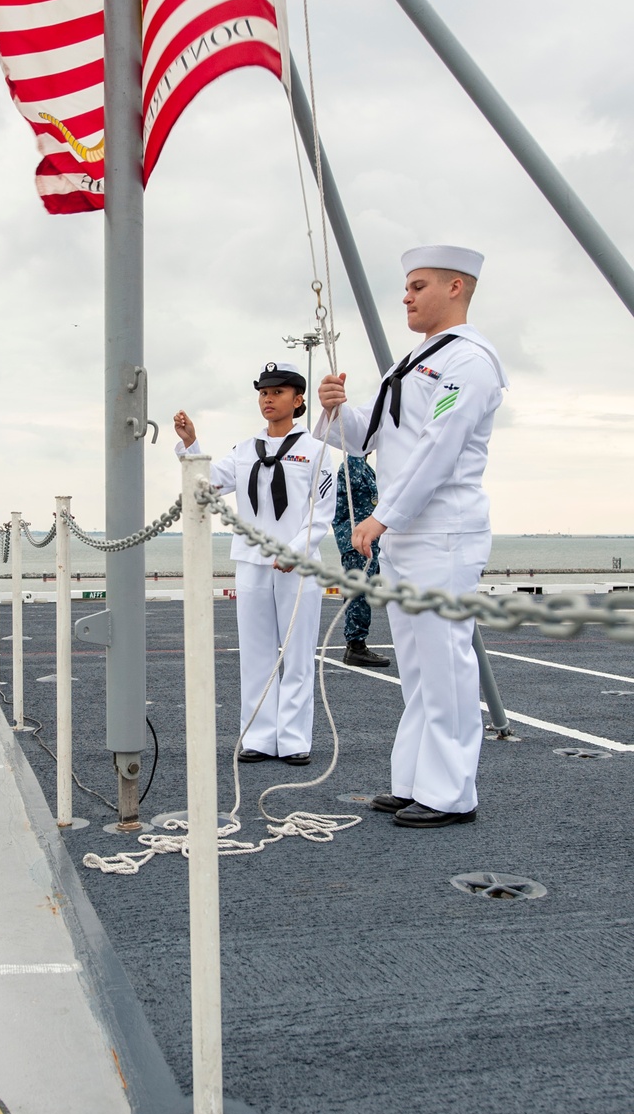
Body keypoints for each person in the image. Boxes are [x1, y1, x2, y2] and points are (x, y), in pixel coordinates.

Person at [316, 246, 507, 828]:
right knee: (420, 668)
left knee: (446, 663)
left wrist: (383, 515)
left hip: (442, 532)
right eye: (405, 286)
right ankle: (415, 781)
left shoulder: (469, 360)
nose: (406, 296)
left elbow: (439, 449)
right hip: (407, 535)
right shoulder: (417, 359)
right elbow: (366, 435)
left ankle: (452, 794)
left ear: (456, 288)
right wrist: (334, 409)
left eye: (418, 286)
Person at [174, 362, 336, 765]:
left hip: (298, 565)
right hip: (251, 561)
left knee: (297, 654)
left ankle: (295, 739)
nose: (269, 398)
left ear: (298, 400)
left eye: (279, 392)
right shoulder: (245, 450)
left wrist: (294, 550)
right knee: (256, 652)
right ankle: (260, 736)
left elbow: (323, 510)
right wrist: (191, 446)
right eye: (264, 392)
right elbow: (207, 481)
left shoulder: (316, 452)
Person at [332, 456, 391, 667]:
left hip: (367, 539)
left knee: (363, 591)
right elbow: (352, 487)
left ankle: (357, 644)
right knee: (359, 592)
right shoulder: (352, 465)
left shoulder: (365, 467)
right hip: (356, 540)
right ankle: (356, 646)